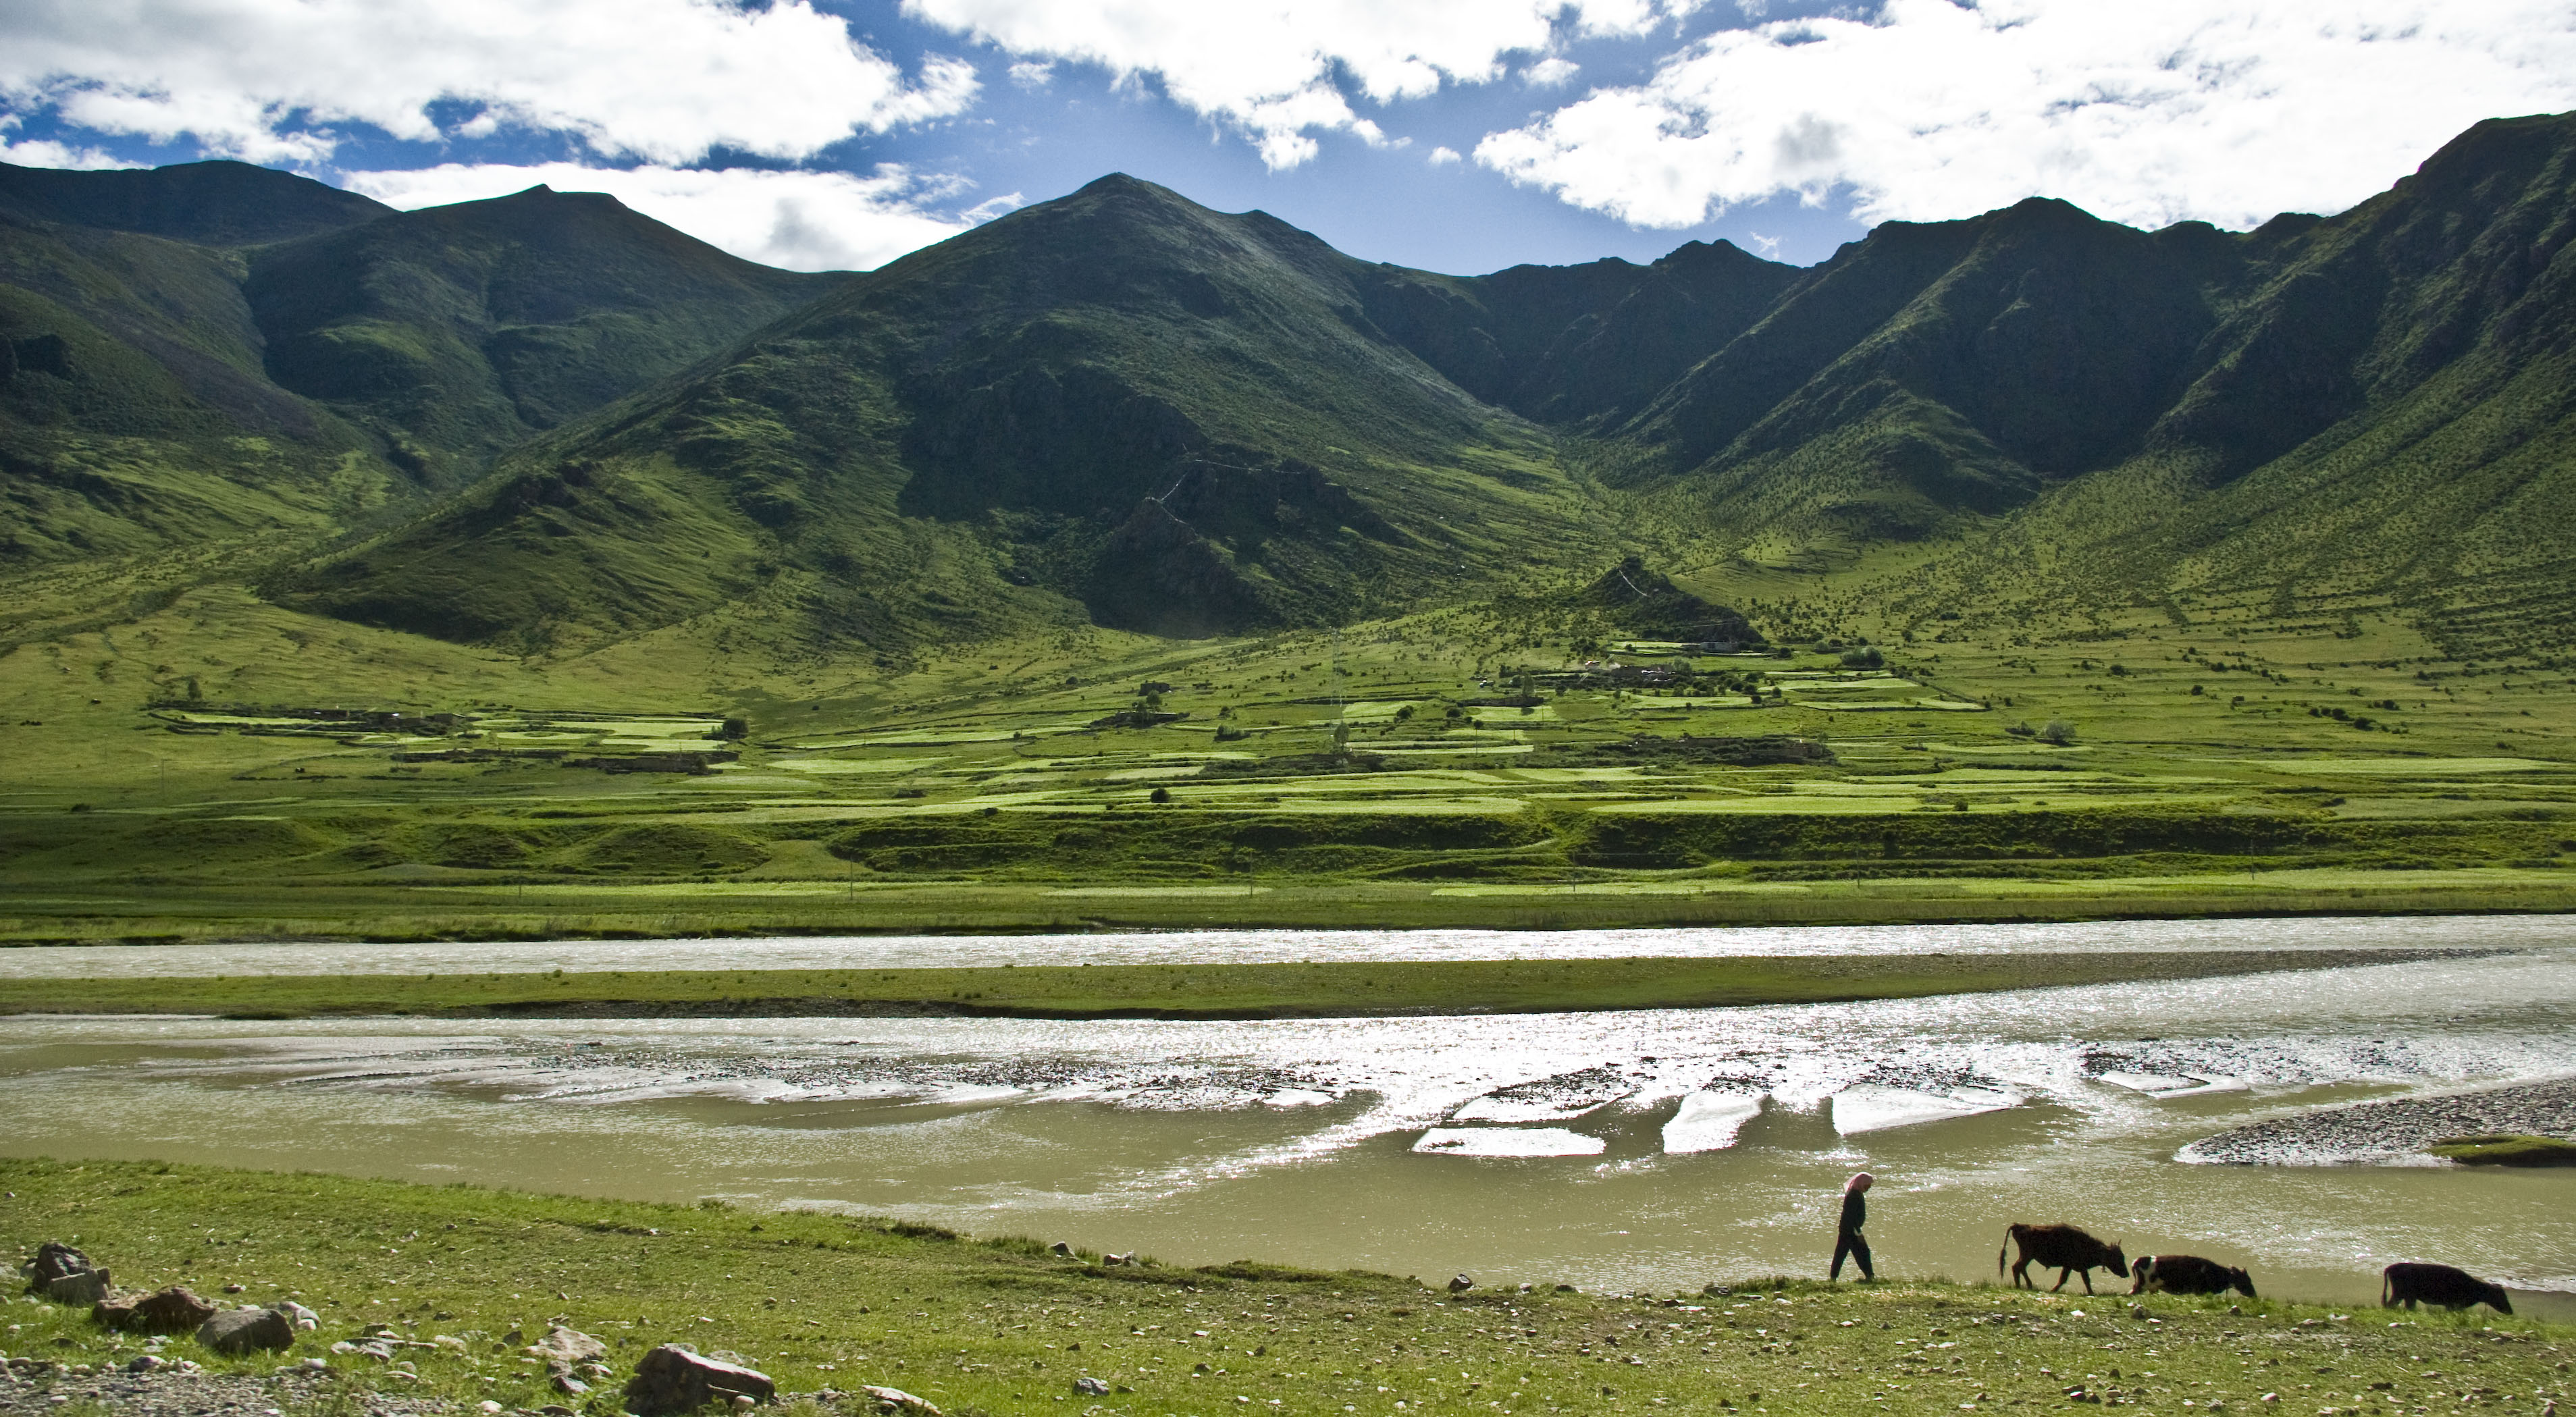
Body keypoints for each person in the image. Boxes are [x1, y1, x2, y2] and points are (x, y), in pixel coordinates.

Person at [1831, 1171, 1874, 1281]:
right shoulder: (1854, 1196)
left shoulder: (1855, 1193)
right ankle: (1870, 1276)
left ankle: (1833, 1277)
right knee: (1863, 1252)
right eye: (1868, 1185)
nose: (1869, 1187)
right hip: (1851, 1231)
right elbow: (1851, 1217)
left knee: (1841, 1254)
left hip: (1847, 1230)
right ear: (1862, 1183)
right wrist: (1858, 1233)